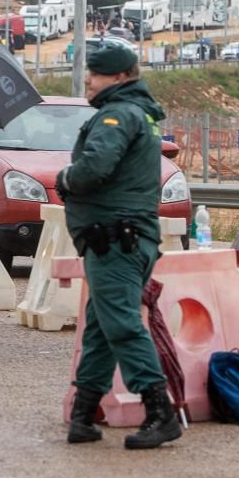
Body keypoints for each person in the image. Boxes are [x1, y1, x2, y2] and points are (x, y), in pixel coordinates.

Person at [55, 43, 182, 450]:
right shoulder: (135, 113)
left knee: (122, 324)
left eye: (98, 73)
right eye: (89, 71)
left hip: (114, 239)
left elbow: (93, 169)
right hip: (119, 238)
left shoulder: (117, 114)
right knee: (101, 326)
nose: (88, 79)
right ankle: (83, 414)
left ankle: (160, 412)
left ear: (122, 76)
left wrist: (65, 179)